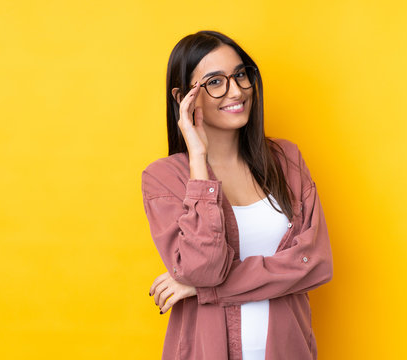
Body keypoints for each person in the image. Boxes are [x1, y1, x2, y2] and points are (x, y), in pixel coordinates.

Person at [141, 30, 333, 360]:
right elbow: (204, 269)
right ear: (183, 97)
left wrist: (205, 290)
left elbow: (315, 264)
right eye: (215, 82)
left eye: (240, 75)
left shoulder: (286, 160)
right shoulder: (164, 179)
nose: (237, 91)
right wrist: (198, 160)